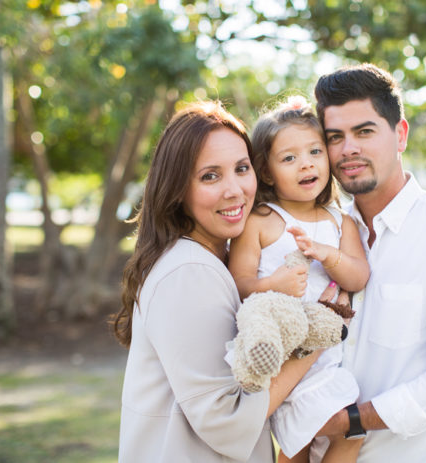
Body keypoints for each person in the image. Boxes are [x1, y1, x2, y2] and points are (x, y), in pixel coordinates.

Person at [310, 64, 426, 462]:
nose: (348, 149)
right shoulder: (319, 235)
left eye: (364, 131)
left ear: (400, 135)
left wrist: (352, 420)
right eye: (335, 137)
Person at [113, 101, 321, 463]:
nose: (235, 190)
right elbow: (227, 421)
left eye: (242, 169)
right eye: (210, 176)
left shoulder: (217, 261)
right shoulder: (188, 272)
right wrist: (317, 343)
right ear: (177, 189)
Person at [228, 96, 370, 463]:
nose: (305, 163)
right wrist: (271, 284)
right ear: (268, 171)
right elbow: (238, 283)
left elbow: (358, 276)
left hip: (327, 361)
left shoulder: (341, 222)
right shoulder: (261, 220)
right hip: (280, 357)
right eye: (289, 158)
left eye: (314, 152)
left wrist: (328, 254)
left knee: (344, 433)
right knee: (307, 444)